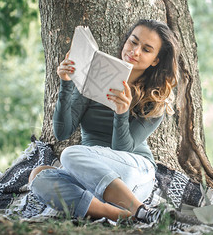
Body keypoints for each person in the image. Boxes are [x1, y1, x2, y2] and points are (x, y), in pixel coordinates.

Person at [28, 19, 179, 224]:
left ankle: (138, 208)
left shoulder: (155, 99)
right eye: (132, 42)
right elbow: (62, 132)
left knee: (70, 153)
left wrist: (121, 113)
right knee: (38, 176)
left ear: (155, 60)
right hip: (90, 173)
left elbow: (122, 150)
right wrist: (66, 84)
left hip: (134, 173)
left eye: (146, 49)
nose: (134, 51)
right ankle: (118, 214)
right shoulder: (95, 77)